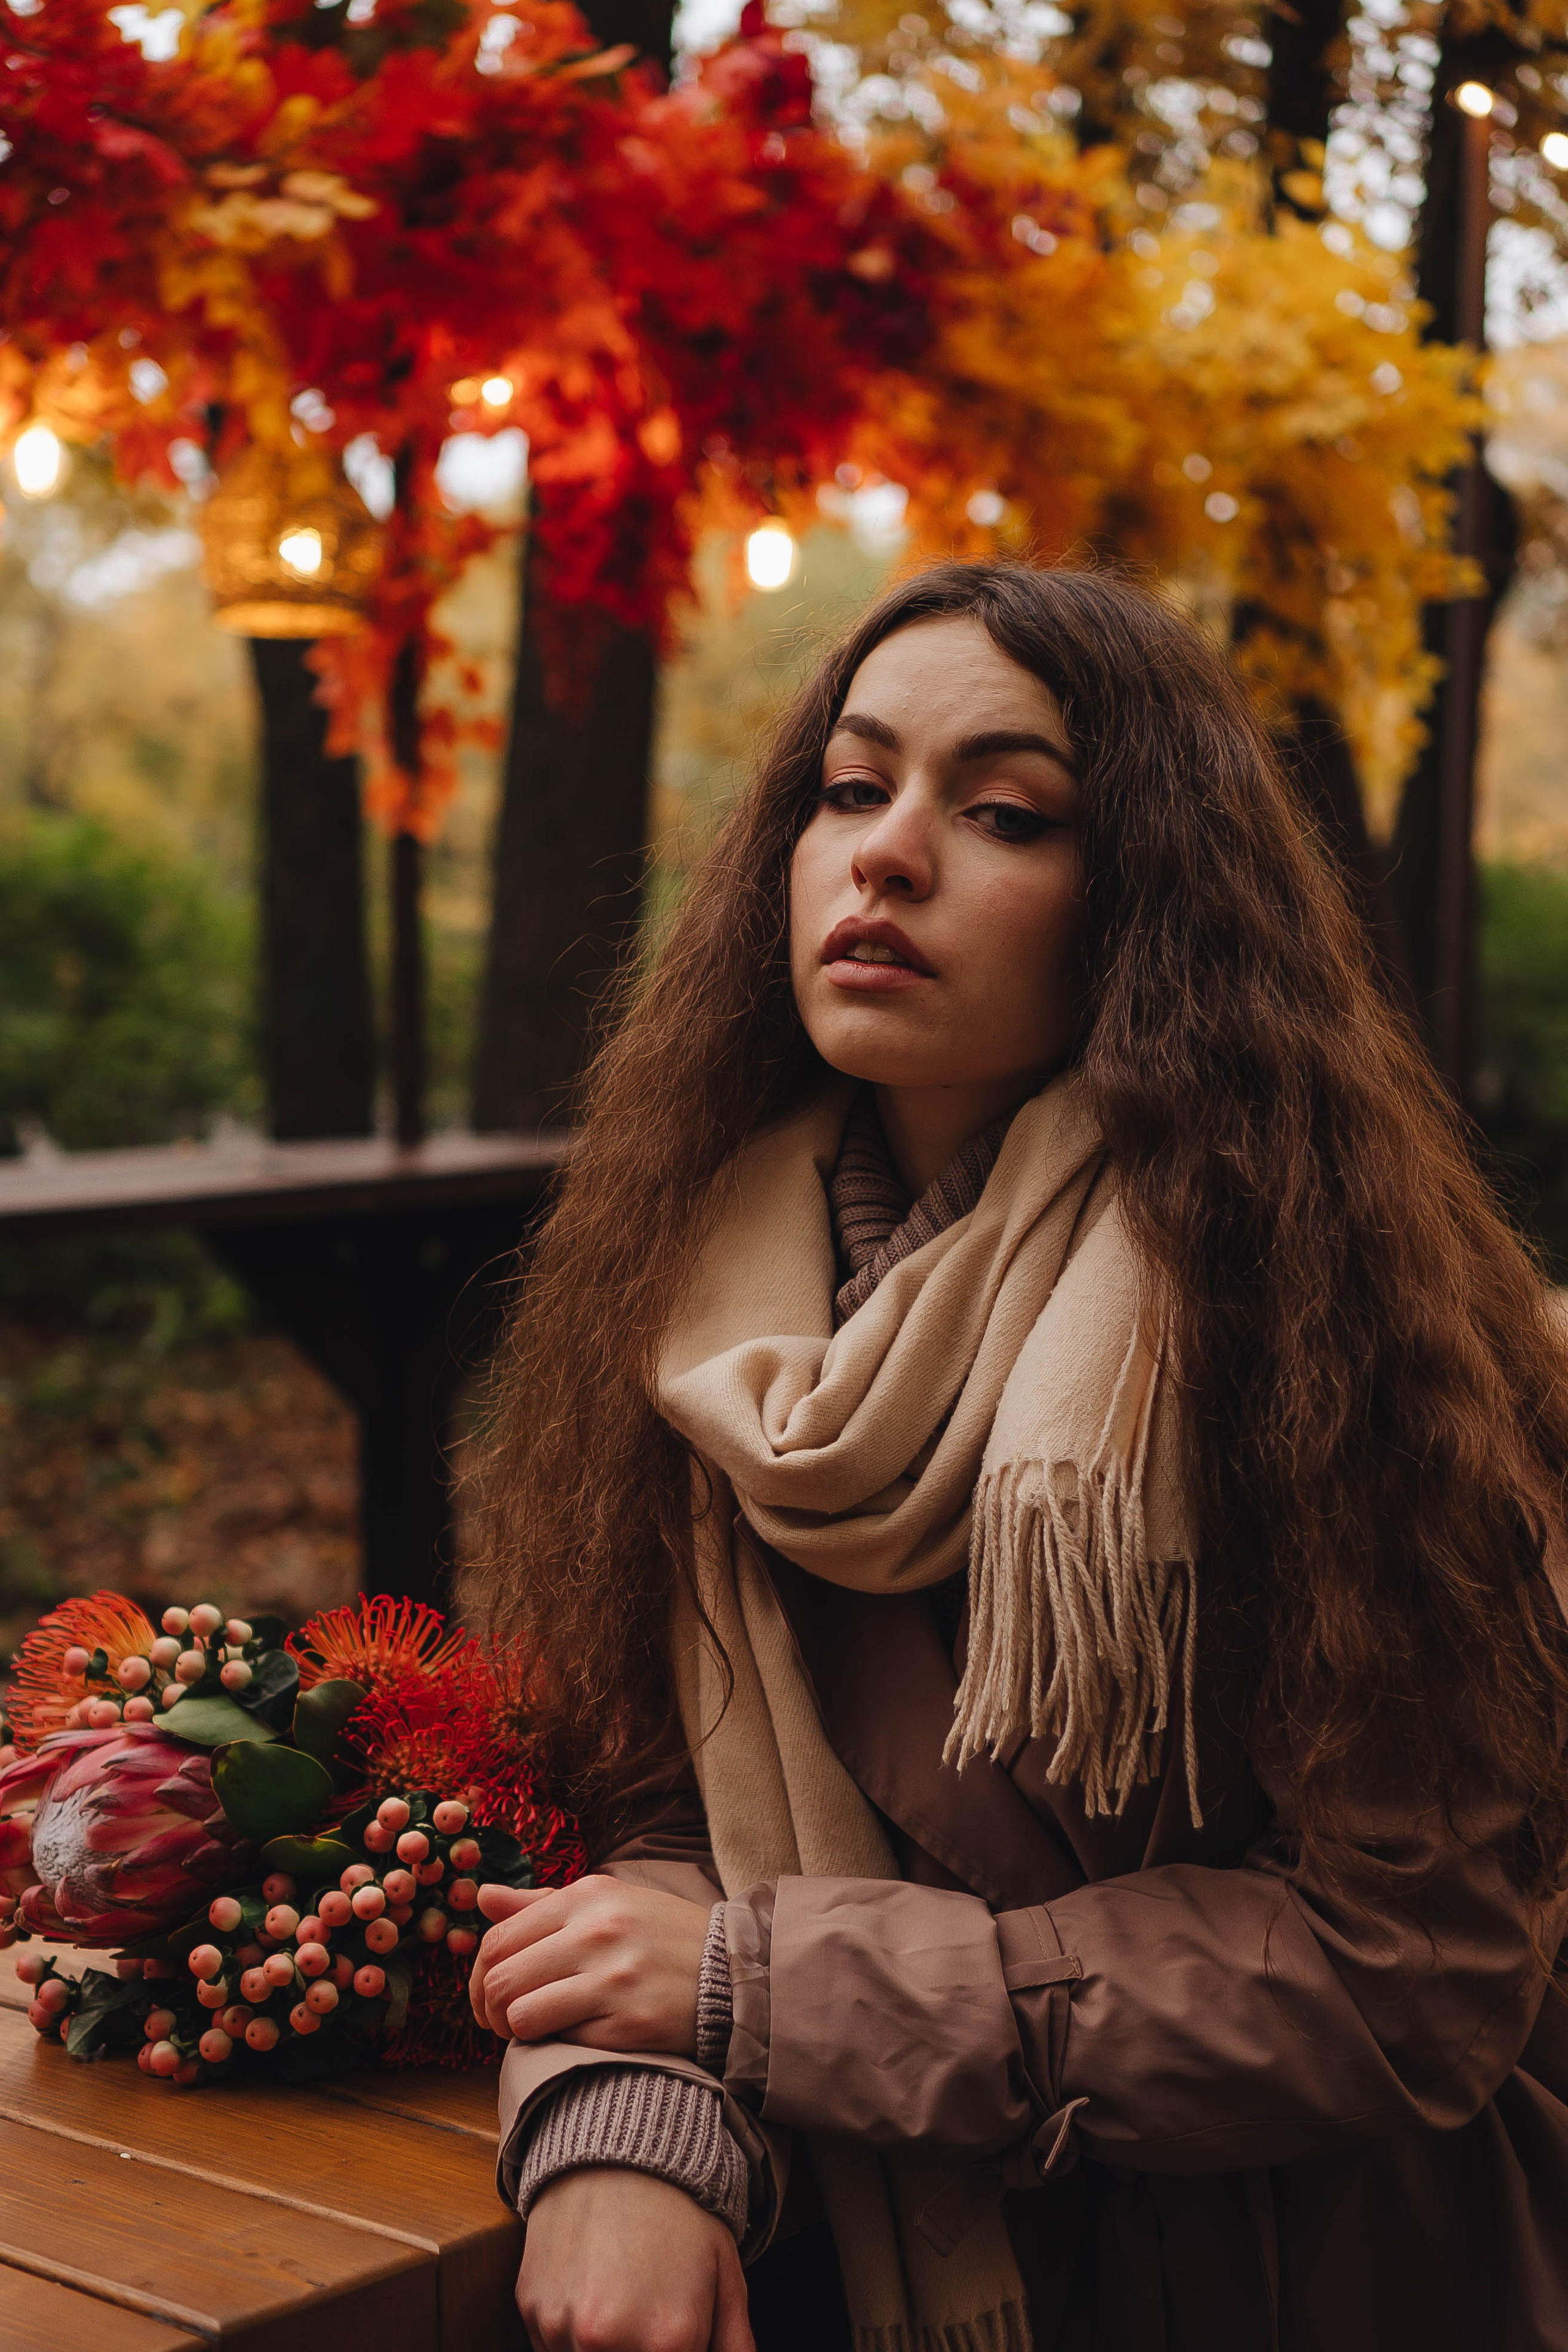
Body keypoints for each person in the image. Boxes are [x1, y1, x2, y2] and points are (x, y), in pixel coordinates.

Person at [463, 561, 1568, 2352]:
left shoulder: (1315, 1316)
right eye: (850, 788)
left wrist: (766, 1993)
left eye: (1002, 812)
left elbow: (1410, 1977)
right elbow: (654, 1827)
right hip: (878, 2239)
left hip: (1314, 2274)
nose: (887, 855)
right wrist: (628, 2135)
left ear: (1145, 904)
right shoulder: (692, 1317)